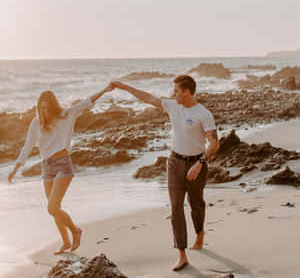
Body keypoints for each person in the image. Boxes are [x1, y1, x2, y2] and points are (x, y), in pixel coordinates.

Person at [109, 75, 219, 271]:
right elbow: (147, 97)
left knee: (196, 204)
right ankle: (182, 254)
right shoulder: (172, 106)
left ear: (187, 92)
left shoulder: (204, 114)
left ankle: (200, 233)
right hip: (175, 162)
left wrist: (200, 163)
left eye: (176, 91)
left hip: (196, 165)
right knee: (175, 207)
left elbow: (214, 143)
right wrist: (123, 86)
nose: (173, 93)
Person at [8, 86, 110, 254]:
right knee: (55, 209)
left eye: (47, 107)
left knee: (52, 207)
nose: (43, 111)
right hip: (46, 167)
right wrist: (16, 167)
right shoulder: (36, 123)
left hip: (63, 164)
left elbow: (87, 102)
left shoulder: (66, 115)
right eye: (41, 107)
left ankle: (76, 231)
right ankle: (65, 242)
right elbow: (27, 146)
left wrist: (106, 89)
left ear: (53, 106)